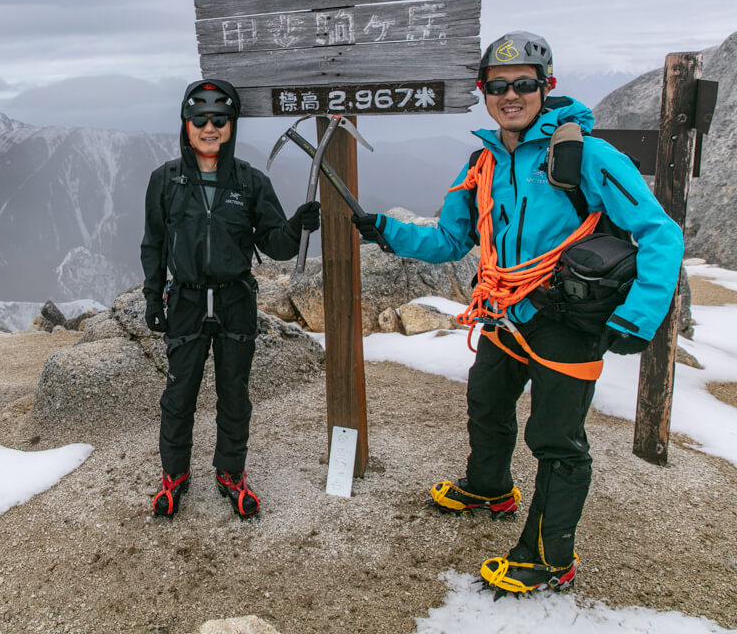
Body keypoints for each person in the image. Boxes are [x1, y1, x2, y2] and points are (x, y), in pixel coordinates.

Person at [351, 32, 683, 595]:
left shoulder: (588, 156)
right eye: (498, 86)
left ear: (546, 86)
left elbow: (660, 232)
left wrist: (638, 317)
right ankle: (489, 488)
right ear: (484, 91)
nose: (511, 95)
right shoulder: (482, 162)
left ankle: (551, 558)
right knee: (486, 403)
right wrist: (386, 230)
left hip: (569, 320)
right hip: (505, 313)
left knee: (557, 440)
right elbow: (454, 238)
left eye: (524, 84)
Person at [140, 78, 320, 519]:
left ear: (231, 124)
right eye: (199, 119)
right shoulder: (165, 181)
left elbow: (276, 244)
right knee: (178, 394)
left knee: (234, 394)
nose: (209, 127)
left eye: (219, 119)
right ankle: (174, 477)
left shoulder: (250, 182)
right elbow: (154, 243)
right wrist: (152, 298)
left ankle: (230, 474)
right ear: (185, 123)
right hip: (184, 299)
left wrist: (297, 225)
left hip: (235, 299)